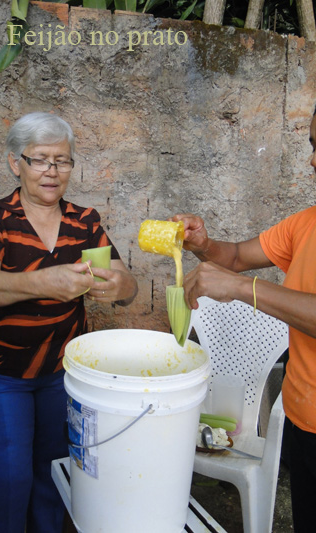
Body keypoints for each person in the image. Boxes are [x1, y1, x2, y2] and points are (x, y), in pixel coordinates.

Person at [0, 112, 138, 533]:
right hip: (0, 374)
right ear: (15, 163)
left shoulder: (84, 221)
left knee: (55, 475)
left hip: (62, 374)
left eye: (62, 160)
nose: (52, 171)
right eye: (40, 159)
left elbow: (126, 283)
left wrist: (120, 286)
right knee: (8, 481)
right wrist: (45, 281)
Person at [170, 107, 316, 533]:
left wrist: (240, 289)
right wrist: (203, 243)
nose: (312, 160)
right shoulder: (305, 224)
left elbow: (238, 279)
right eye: (312, 145)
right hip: (303, 418)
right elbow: (234, 257)